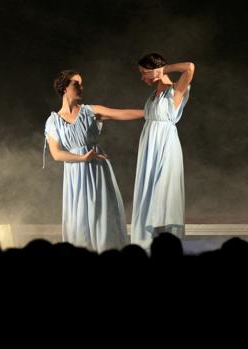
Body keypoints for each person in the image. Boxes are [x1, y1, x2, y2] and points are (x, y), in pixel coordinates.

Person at [44, 70, 144, 252]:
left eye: (81, 84)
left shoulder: (90, 111)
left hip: (97, 169)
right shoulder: (53, 121)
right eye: (76, 84)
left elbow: (121, 114)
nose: (81, 87)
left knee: (101, 215)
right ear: (64, 87)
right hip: (76, 174)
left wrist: (150, 112)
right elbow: (57, 154)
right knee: (80, 219)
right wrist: (82, 158)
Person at [131, 54, 195, 250]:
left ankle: (167, 246)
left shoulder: (175, 90)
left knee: (165, 193)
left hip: (165, 146)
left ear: (154, 70)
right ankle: (144, 247)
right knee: (148, 194)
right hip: (149, 146)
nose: (142, 78)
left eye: (144, 73)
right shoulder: (154, 95)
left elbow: (189, 67)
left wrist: (163, 70)